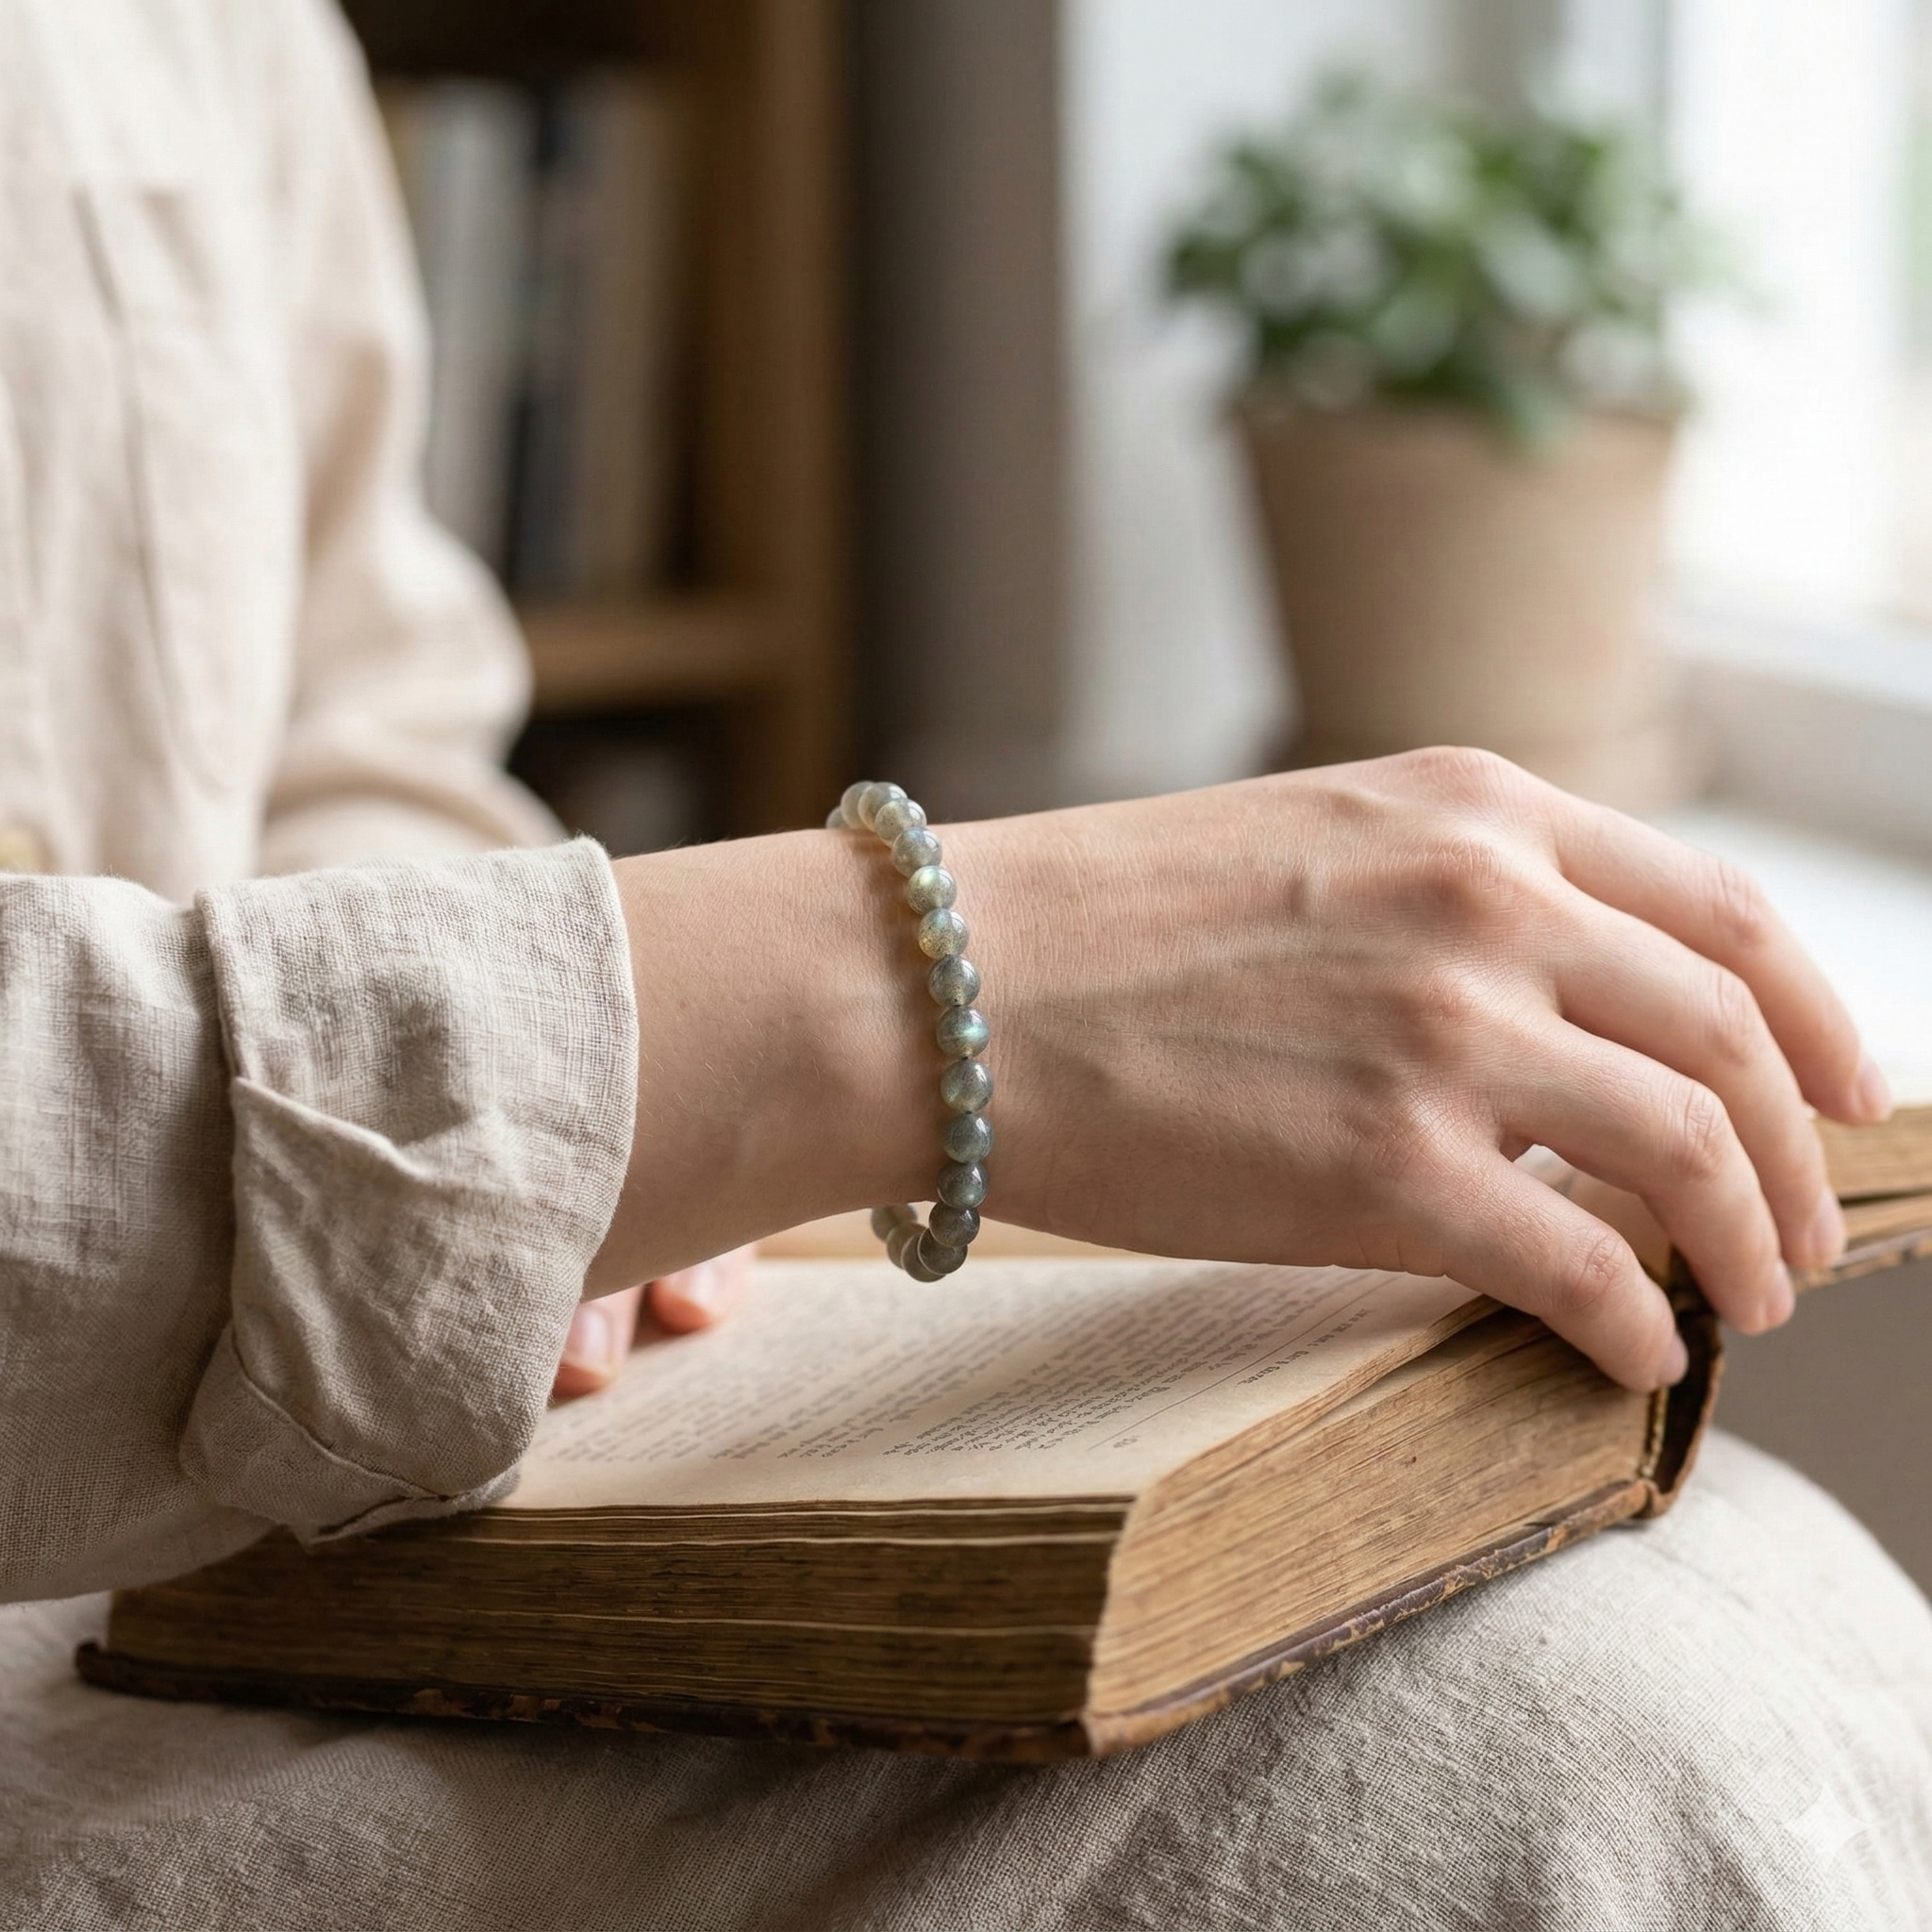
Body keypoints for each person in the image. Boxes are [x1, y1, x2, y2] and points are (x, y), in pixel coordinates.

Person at [3, 2, 1930, 1926]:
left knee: (1722, 1607)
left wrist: (528, 1157)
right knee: (1595, 1757)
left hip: (324, 1495)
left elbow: (360, 740)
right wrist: (884, 990)